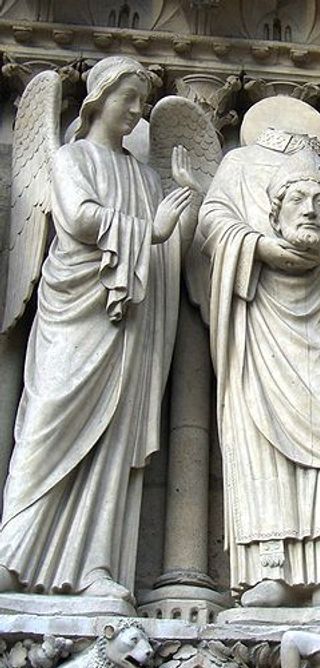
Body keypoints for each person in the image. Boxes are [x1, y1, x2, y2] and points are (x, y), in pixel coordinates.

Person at [0, 57, 198, 602]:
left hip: (128, 322)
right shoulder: (71, 158)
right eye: (128, 99)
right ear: (98, 98)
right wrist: (151, 232)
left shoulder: (143, 176)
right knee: (47, 424)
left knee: (113, 437)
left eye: (141, 103)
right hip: (75, 310)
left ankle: (95, 565)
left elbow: (170, 257)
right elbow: (80, 219)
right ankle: (13, 552)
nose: (136, 112)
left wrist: (184, 201)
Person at [201, 139, 320, 611]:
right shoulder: (238, 166)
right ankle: (269, 570)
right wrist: (260, 247)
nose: (311, 211)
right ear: (274, 211)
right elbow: (211, 222)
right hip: (260, 322)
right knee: (260, 442)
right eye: (299, 201)